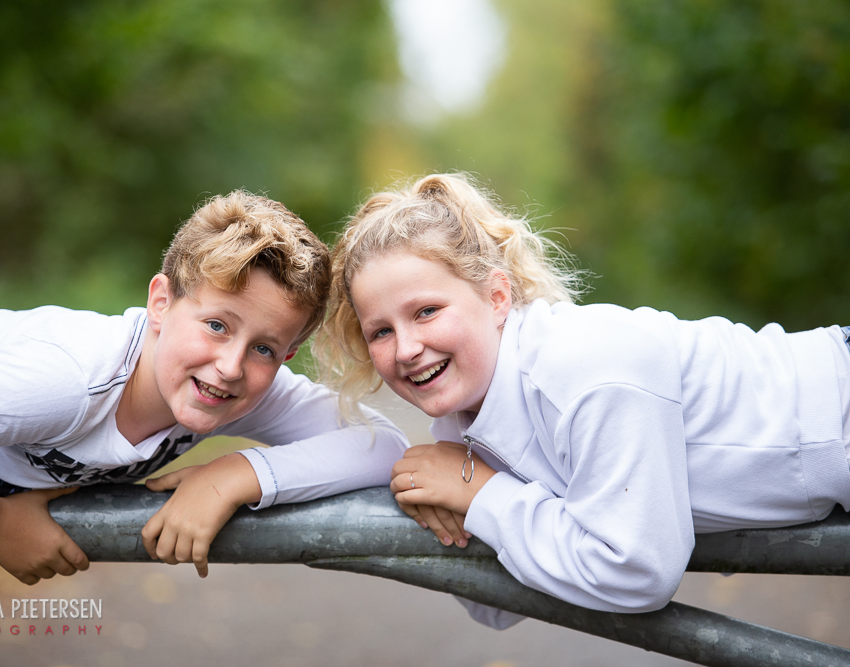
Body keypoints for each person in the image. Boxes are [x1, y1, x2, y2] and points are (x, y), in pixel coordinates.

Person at [315, 172, 850, 628]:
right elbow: (495, 605)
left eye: (426, 311)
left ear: (497, 297)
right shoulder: (465, 424)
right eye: (380, 331)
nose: (406, 348)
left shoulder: (583, 368)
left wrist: (483, 496)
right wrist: (451, 503)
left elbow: (639, 572)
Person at [0, 190, 408, 585]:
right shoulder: (67, 381)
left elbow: (383, 445)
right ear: (160, 303)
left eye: (264, 348)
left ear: (286, 357)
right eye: (217, 325)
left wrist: (236, 475)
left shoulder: (230, 388)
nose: (231, 365)